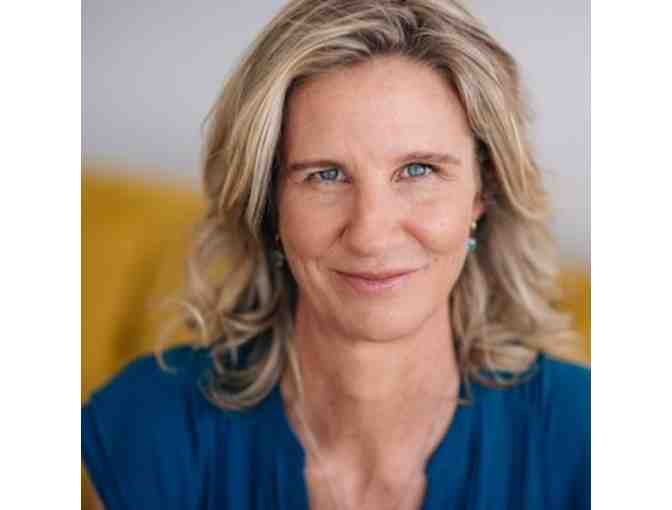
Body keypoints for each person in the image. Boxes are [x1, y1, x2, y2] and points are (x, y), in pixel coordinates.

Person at [82, 0, 590, 509]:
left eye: (418, 170)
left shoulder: (588, 438)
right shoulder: (152, 426)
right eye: (325, 175)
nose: (370, 234)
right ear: (269, 204)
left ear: (483, 191)